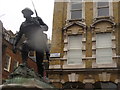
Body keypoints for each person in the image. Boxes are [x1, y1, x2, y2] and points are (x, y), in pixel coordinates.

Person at [13, 8, 50, 77]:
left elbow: (46, 28)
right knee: (25, 44)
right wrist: (14, 45)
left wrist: (40, 27)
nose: (24, 14)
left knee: (39, 63)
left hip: (39, 42)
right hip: (30, 41)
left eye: (26, 12)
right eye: (23, 13)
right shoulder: (23, 24)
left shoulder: (37, 19)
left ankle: (41, 76)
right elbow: (19, 35)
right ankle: (24, 63)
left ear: (30, 13)